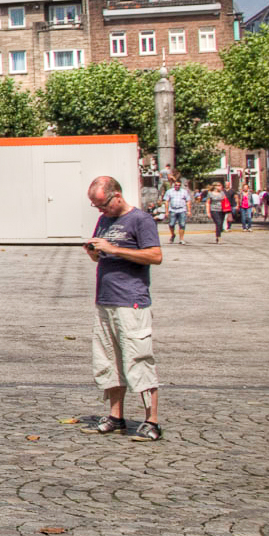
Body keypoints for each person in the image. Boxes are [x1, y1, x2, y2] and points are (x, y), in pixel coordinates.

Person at [78, 173, 164, 441]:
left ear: (117, 195)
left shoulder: (140, 220)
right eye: (96, 206)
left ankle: (152, 421)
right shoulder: (104, 220)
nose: (101, 210)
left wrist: (114, 249)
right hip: (105, 299)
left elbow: (155, 256)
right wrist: (94, 251)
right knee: (108, 361)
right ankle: (116, 416)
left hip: (131, 301)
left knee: (138, 358)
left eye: (103, 204)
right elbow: (100, 252)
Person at [163, 176, 191, 245]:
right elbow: (166, 201)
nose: (177, 186)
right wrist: (166, 212)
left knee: (182, 224)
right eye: (176, 185)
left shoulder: (184, 192)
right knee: (171, 224)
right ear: (173, 185)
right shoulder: (169, 191)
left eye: (179, 185)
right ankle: (173, 235)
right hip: (173, 210)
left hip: (182, 210)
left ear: (180, 185)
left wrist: (189, 210)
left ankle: (181, 239)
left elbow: (188, 201)